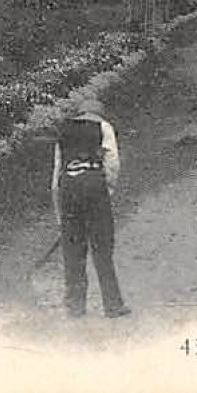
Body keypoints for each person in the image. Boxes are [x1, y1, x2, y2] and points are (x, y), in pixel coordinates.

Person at [52, 107, 130, 319]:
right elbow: (112, 162)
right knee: (102, 249)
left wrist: (59, 210)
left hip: (69, 188)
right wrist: (108, 189)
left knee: (73, 251)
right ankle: (112, 305)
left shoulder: (64, 130)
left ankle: (75, 307)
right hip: (94, 186)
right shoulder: (103, 127)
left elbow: (57, 171)